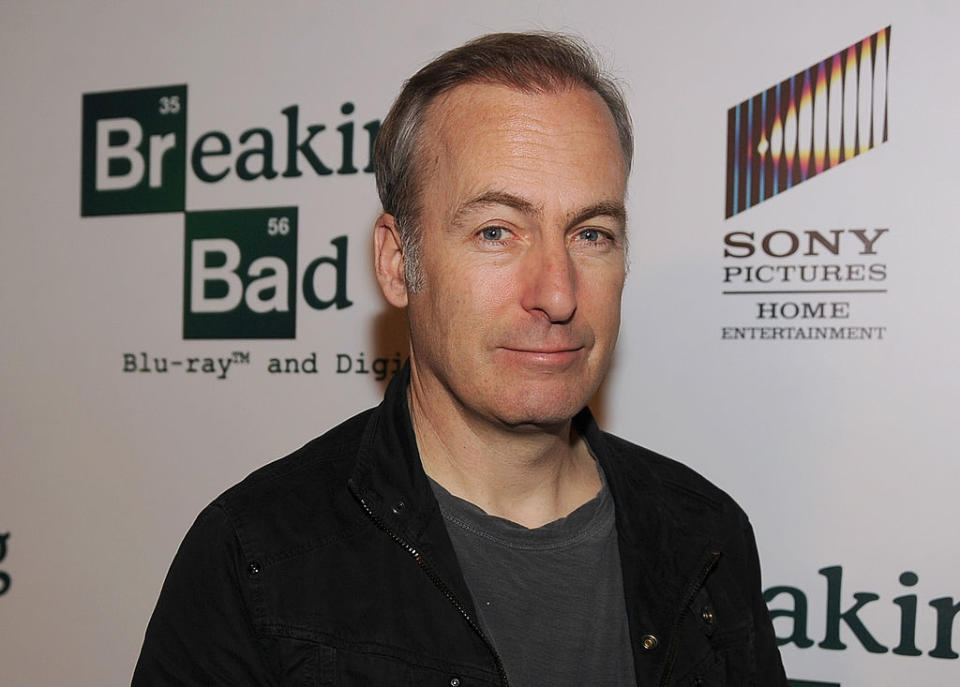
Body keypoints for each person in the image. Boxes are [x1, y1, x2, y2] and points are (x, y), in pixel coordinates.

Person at [133, 32, 787, 687]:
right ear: (397, 262)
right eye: (495, 232)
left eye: (592, 233)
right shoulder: (255, 558)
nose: (558, 294)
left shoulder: (706, 535)